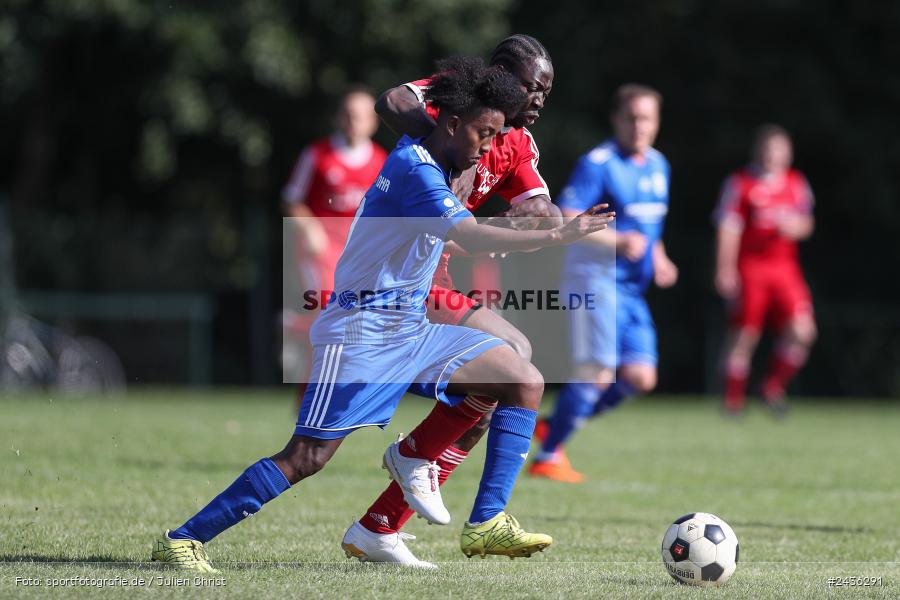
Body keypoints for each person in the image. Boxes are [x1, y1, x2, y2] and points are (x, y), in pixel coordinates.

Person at [151, 56, 615, 572]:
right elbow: (464, 233)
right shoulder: (415, 168)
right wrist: (554, 235)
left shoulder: (444, 160)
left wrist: (541, 218)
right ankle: (183, 538)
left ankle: (483, 519)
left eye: (495, 137)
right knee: (307, 457)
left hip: (411, 328)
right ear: (453, 123)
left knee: (521, 378)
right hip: (359, 333)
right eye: (483, 135)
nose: (487, 150)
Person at [343, 35, 564, 565]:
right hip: (400, 280)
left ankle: (380, 525)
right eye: (533, 89)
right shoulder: (456, 110)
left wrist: (535, 221)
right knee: (513, 364)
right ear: (503, 78)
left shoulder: (517, 143)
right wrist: (440, 156)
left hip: (434, 278)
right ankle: (445, 486)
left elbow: (542, 206)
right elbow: (392, 101)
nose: (538, 102)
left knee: (498, 387)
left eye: (545, 94)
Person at [529, 84, 678, 483]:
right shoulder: (599, 163)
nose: (639, 125)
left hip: (631, 288)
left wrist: (658, 256)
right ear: (616, 119)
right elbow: (569, 215)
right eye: (631, 117)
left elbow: (648, 226)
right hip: (593, 279)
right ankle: (548, 455)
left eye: (646, 117)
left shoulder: (658, 165)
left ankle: (556, 423)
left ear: (657, 122)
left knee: (640, 377)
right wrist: (619, 241)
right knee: (597, 371)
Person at [281, 88, 387, 398]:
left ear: (373, 122)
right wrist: (310, 228)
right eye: (348, 114)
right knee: (328, 314)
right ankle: (311, 395)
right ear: (340, 117)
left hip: (359, 255)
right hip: (322, 252)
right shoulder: (317, 155)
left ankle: (293, 328)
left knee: (350, 323)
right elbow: (291, 201)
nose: (353, 121)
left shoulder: (382, 161)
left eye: (361, 116)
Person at [714, 125, 816, 416]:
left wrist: (797, 227)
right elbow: (728, 228)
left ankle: (772, 386)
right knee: (744, 335)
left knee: (803, 331)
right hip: (751, 268)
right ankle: (732, 401)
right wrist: (725, 268)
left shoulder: (796, 183)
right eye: (769, 150)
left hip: (785, 269)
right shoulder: (741, 183)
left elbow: (807, 222)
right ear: (758, 151)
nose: (774, 156)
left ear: (788, 153)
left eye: (780, 150)